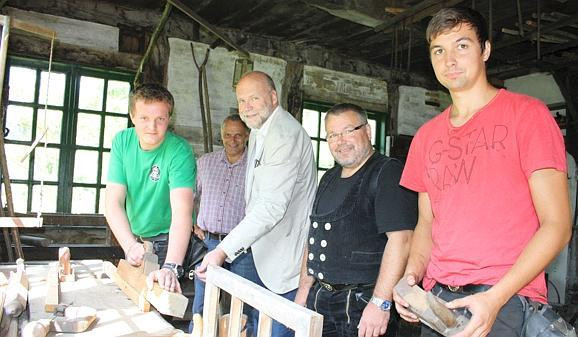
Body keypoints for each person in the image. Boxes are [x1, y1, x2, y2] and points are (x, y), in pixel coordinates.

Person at [394, 7, 571, 337]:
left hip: (504, 300)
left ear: (485, 50)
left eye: (462, 45)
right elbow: (427, 223)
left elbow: (557, 225)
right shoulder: (425, 137)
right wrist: (410, 277)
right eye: (439, 50)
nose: (450, 60)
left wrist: (496, 297)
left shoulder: (528, 115)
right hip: (438, 302)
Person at [196, 71, 317, 337]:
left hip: (284, 261)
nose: (246, 107)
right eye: (241, 101)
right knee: (253, 327)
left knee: (276, 331)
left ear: (273, 97)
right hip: (262, 254)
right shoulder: (260, 130)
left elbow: (271, 206)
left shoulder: (284, 135)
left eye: (254, 98)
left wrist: (222, 251)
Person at [294, 103, 417, 337]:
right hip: (321, 298)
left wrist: (381, 302)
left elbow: (403, 240)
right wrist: (304, 288)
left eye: (348, 130)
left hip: (362, 302)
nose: (341, 141)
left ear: (367, 132)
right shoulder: (328, 178)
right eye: (333, 135)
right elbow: (314, 235)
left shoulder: (387, 172)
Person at [106, 83, 196, 293]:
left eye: (160, 119)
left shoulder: (179, 151)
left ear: (169, 119)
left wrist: (171, 266)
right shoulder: (122, 141)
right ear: (132, 116)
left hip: (168, 239)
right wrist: (129, 245)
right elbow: (113, 203)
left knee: (162, 302)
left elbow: (182, 212)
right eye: (144, 118)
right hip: (136, 237)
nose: (152, 127)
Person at [189, 114, 256, 333]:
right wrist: (192, 222)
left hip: (243, 249)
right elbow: (189, 196)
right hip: (208, 243)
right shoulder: (205, 163)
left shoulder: (256, 168)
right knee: (202, 302)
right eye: (228, 135)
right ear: (221, 135)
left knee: (244, 304)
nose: (233, 140)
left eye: (238, 135)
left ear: (247, 135)